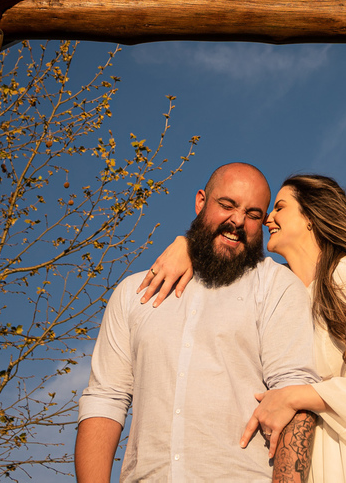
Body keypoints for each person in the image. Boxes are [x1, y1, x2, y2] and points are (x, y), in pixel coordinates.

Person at [141, 173, 346, 482]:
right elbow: (223, 258)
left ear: (310, 218)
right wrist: (185, 245)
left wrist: (295, 396)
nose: (267, 218)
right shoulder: (275, 291)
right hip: (302, 460)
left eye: (279, 207)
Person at [75, 162, 321, 482]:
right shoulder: (133, 294)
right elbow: (105, 399)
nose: (237, 221)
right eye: (227, 205)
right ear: (201, 202)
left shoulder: (276, 286)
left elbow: (294, 394)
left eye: (253, 214)